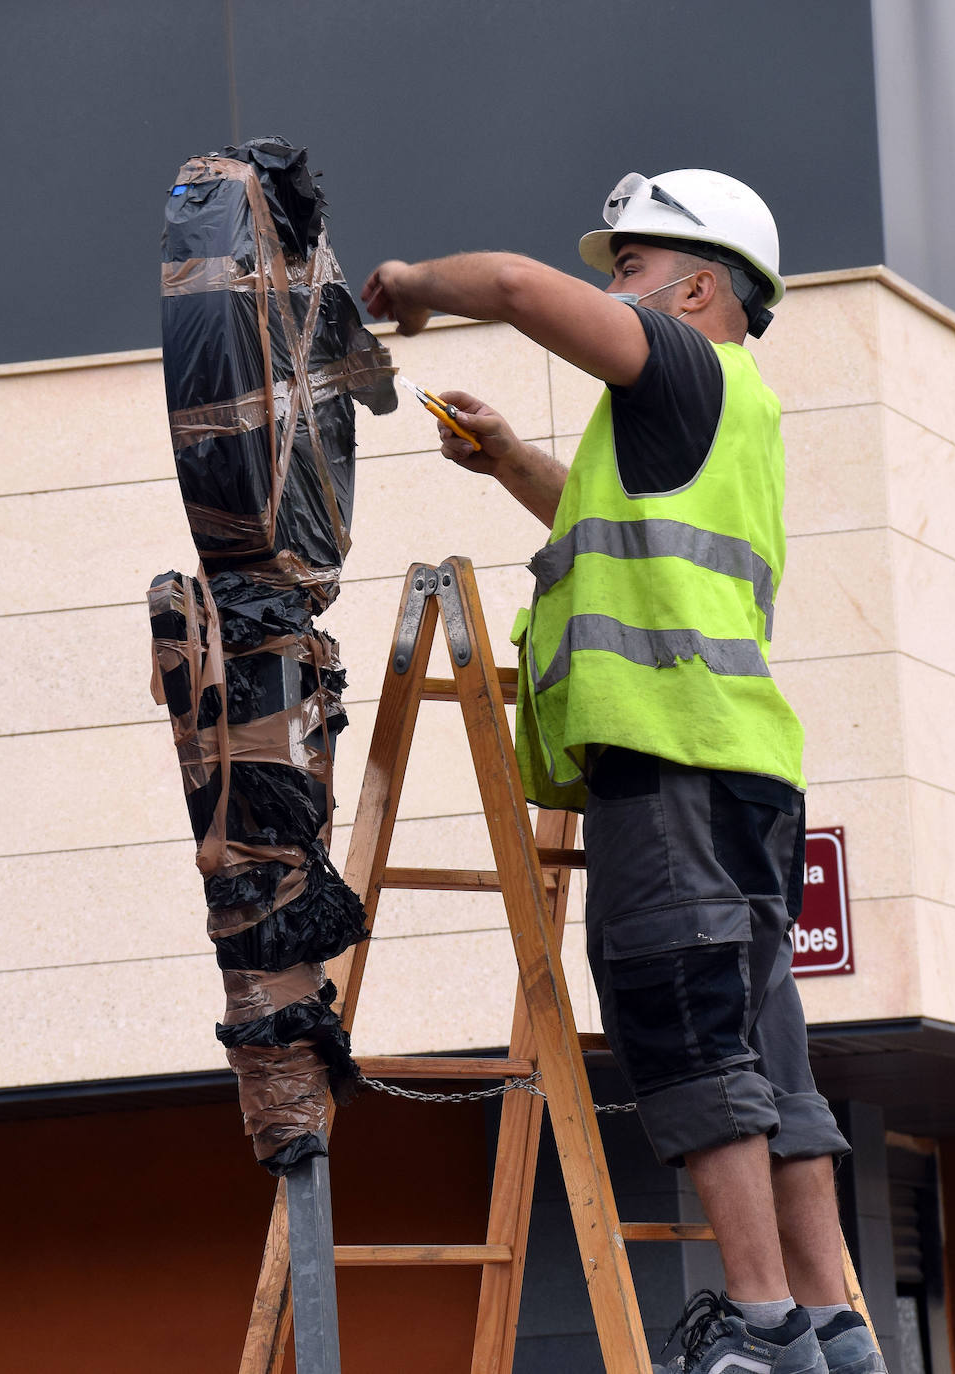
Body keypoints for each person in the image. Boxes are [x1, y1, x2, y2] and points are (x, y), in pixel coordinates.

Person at [362, 169, 886, 1374]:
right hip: (741, 768)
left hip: (668, 769)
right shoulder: (723, 418)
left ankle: (753, 1324)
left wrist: (412, 292)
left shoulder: (683, 370)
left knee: (686, 1028)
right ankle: (826, 1324)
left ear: (698, 288)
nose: (615, 290)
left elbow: (508, 284)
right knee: (762, 1042)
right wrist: (506, 462)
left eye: (632, 271)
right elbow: (605, 539)